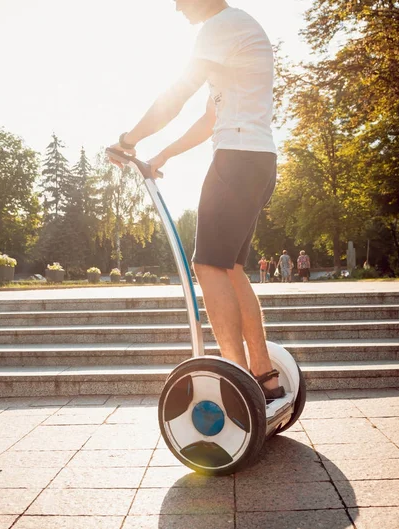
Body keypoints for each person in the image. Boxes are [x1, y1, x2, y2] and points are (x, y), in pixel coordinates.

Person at [107, 0, 284, 400]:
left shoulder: (219, 27)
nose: (176, 9)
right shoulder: (237, 29)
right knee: (233, 268)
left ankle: (236, 380)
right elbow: (209, 117)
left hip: (236, 158)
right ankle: (264, 376)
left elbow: (177, 95)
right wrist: (164, 154)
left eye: (179, 0)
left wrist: (127, 141)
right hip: (259, 158)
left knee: (206, 265)